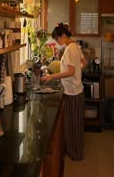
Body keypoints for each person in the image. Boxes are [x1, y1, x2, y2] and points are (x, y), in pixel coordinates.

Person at [41, 23, 88, 161]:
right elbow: (84, 63)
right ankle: (77, 152)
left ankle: (75, 154)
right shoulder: (75, 46)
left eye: (57, 39)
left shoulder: (68, 50)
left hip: (72, 93)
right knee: (77, 124)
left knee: (72, 125)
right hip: (78, 91)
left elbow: (71, 71)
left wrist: (50, 76)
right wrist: (76, 72)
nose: (57, 43)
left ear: (62, 36)